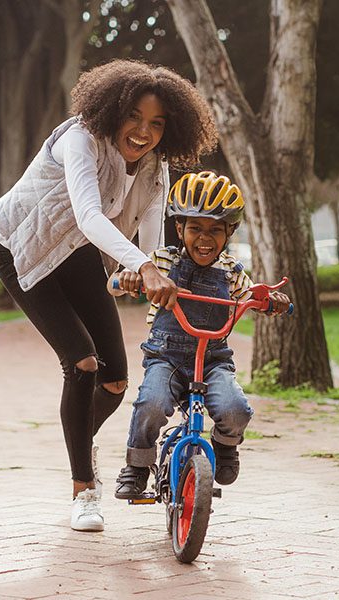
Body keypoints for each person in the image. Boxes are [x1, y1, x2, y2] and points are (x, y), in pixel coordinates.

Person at [0, 60, 217, 532]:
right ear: (113, 110)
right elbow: (89, 215)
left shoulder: (156, 166)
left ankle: (78, 439)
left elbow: (152, 231)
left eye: (156, 123)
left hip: (78, 258)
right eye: (134, 116)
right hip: (22, 251)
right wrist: (143, 266)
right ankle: (83, 490)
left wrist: (154, 267)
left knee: (114, 381)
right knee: (82, 363)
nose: (142, 131)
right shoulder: (80, 139)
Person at [109, 171, 290, 499]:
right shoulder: (162, 261)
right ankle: (137, 466)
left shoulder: (232, 272)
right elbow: (116, 284)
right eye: (195, 228)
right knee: (151, 404)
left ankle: (225, 445)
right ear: (179, 229)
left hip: (213, 359)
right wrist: (128, 280)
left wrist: (269, 300)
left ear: (229, 232)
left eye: (214, 230)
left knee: (236, 409)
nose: (204, 239)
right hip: (167, 357)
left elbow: (252, 295)